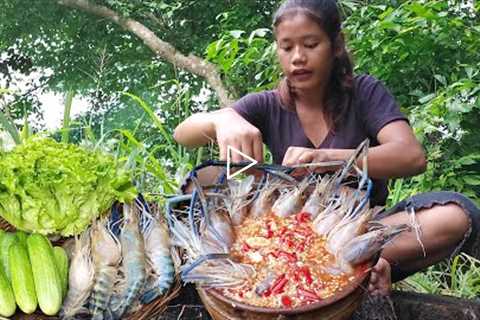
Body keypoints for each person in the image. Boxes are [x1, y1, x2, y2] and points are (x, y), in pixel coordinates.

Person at [174, 0, 480, 296]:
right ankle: (268, 264)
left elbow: (411, 156)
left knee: (455, 216)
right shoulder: (267, 104)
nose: (297, 57)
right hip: (285, 231)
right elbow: (182, 135)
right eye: (287, 47)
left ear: (336, 45)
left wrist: (327, 158)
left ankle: (370, 260)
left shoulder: (365, 92)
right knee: (204, 178)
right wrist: (222, 120)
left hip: (356, 230)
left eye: (310, 44)